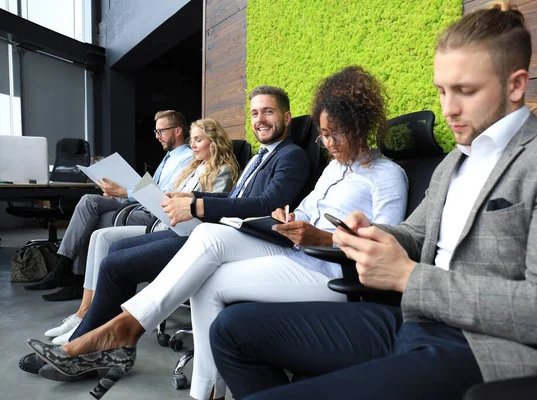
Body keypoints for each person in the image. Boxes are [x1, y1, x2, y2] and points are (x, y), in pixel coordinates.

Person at [205, 3, 537, 400]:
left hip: (485, 347)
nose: (448, 109)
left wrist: (409, 277)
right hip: (414, 322)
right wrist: (362, 235)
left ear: (516, 85)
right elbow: (414, 232)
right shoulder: (453, 163)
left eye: (466, 91)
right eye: (442, 91)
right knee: (231, 329)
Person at [26, 66, 409, 400]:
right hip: (294, 251)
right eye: (323, 136)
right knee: (209, 249)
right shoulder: (331, 169)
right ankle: (193, 381)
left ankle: (128, 329)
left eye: (334, 135)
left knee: (208, 263)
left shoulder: (388, 175)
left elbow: (386, 244)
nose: (326, 144)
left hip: (329, 271)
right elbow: (305, 211)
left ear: (360, 128)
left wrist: (324, 239)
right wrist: (287, 217)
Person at [19, 85, 311, 379]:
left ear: (286, 118)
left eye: (268, 111)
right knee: (116, 250)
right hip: (211, 232)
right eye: (255, 113)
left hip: (229, 241)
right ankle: (94, 347)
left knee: (115, 266)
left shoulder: (291, 155)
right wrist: (191, 197)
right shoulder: (261, 157)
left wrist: (197, 207)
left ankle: (81, 348)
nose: (260, 119)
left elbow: (267, 203)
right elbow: (235, 199)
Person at [42, 118, 239, 346]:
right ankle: (85, 314)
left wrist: (170, 201)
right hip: (164, 223)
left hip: (182, 232)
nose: (192, 145)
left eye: (198, 140)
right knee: (104, 238)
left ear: (214, 143)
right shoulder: (192, 168)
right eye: (192, 139)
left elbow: (210, 209)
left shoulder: (221, 171)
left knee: (113, 255)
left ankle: (95, 326)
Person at [24, 110, 194, 302]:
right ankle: (63, 267)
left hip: (155, 213)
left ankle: (77, 280)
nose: (157, 137)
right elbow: (149, 189)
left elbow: (162, 197)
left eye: (161, 131)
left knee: (95, 220)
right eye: (156, 132)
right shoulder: (168, 158)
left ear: (177, 131)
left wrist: (123, 193)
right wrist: (118, 192)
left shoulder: (186, 158)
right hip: (141, 204)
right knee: (89, 200)